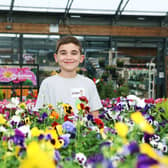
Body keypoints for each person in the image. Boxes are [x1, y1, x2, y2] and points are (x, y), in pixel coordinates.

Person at [35, 36, 102, 118]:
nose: (69, 57)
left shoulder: (88, 84)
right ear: (56, 57)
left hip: (83, 130)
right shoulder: (48, 83)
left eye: (74, 53)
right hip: (54, 129)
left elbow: (95, 115)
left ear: (81, 58)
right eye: (63, 53)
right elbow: (40, 113)